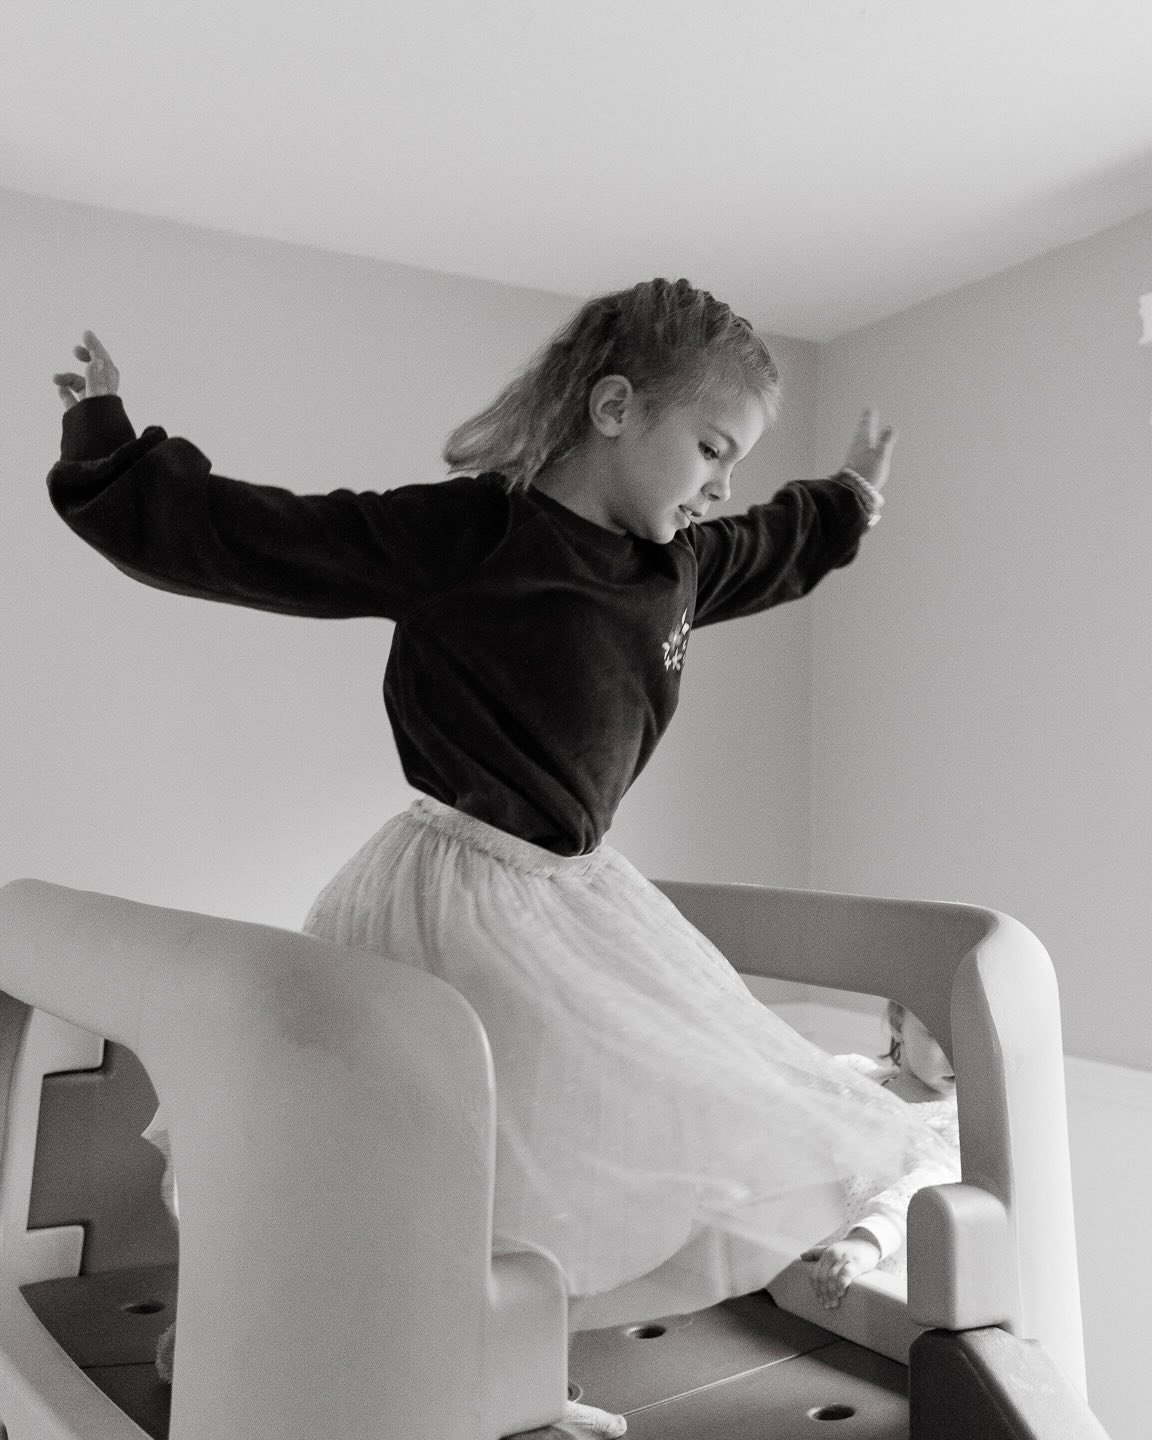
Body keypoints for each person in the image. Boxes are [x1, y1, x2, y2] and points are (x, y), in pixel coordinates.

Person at [49, 280, 941, 1435]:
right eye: (711, 447)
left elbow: (777, 542)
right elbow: (251, 537)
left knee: (552, 1152)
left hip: (573, 897)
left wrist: (851, 499)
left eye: (737, 461)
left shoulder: (677, 566)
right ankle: (246, 1323)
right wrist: (109, 445)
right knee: (392, 1154)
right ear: (614, 407)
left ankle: (506, 1356)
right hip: (449, 888)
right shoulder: (472, 535)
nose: (724, 482)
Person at [801, 1001, 962, 1310]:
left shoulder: (954, 1123)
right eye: (937, 1037)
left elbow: (929, 1185)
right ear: (899, 1025)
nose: (956, 1056)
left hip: (888, 1285)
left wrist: (867, 1240)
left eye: (967, 1040)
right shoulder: (855, 1079)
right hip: (825, 1265)